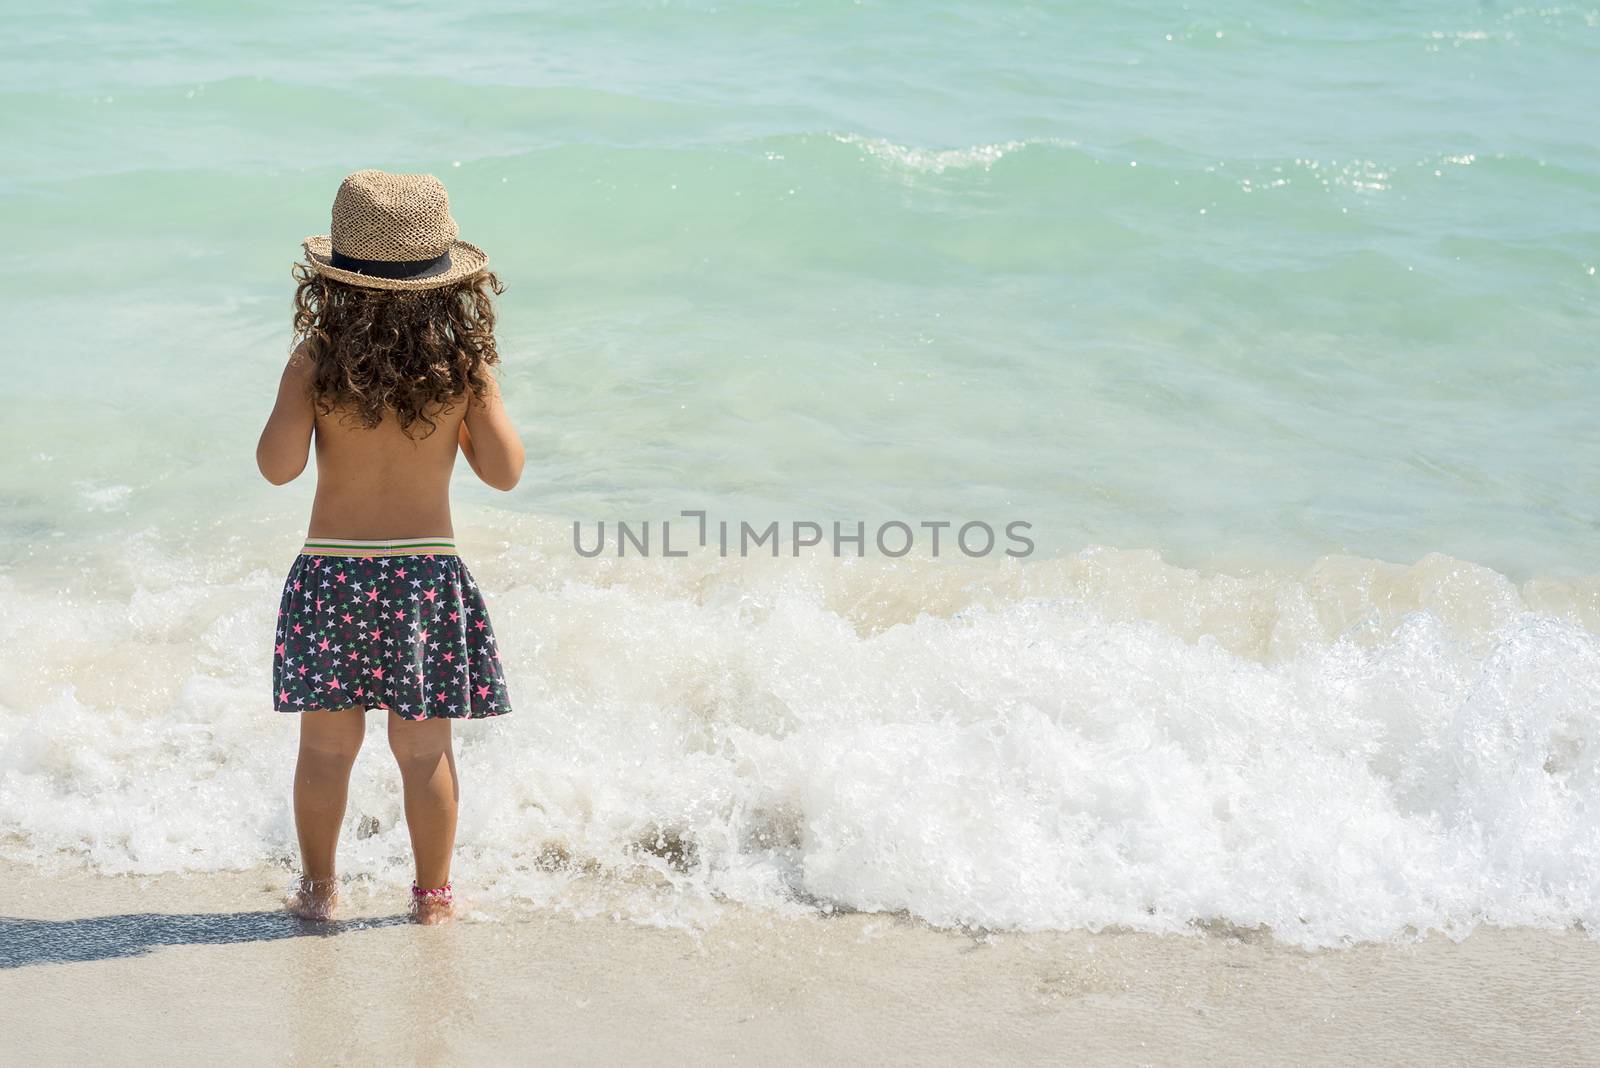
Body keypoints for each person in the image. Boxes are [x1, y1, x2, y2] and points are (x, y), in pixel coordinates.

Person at [255, 169, 525, 923]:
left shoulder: (316, 360)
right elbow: (504, 473)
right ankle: (434, 899)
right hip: (423, 578)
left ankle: (317, 890)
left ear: (335, 276)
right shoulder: (461, 367)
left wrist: (300, 383)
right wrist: (480, 393)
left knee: (328, 750)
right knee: (424, 750)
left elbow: (277, 469)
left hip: (334, 575)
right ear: (446, 281)